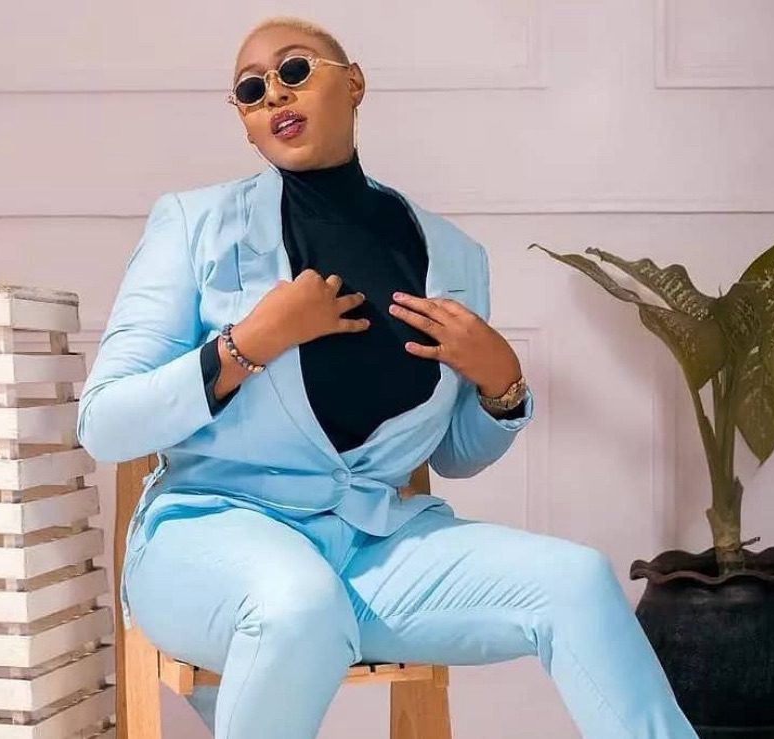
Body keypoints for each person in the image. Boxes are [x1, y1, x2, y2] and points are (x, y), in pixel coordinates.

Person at [77, 15, 699, 739]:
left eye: (295, 70)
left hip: (373, 546)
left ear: (354, 83)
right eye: (250, 89)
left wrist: (501, 386)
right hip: (213, 538)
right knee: (298, 606)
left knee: (578, 582)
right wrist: (251, 343)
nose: (274, 92)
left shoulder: (455, 256)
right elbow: (105, 423)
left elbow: (454, 455)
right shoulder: (194, 225)